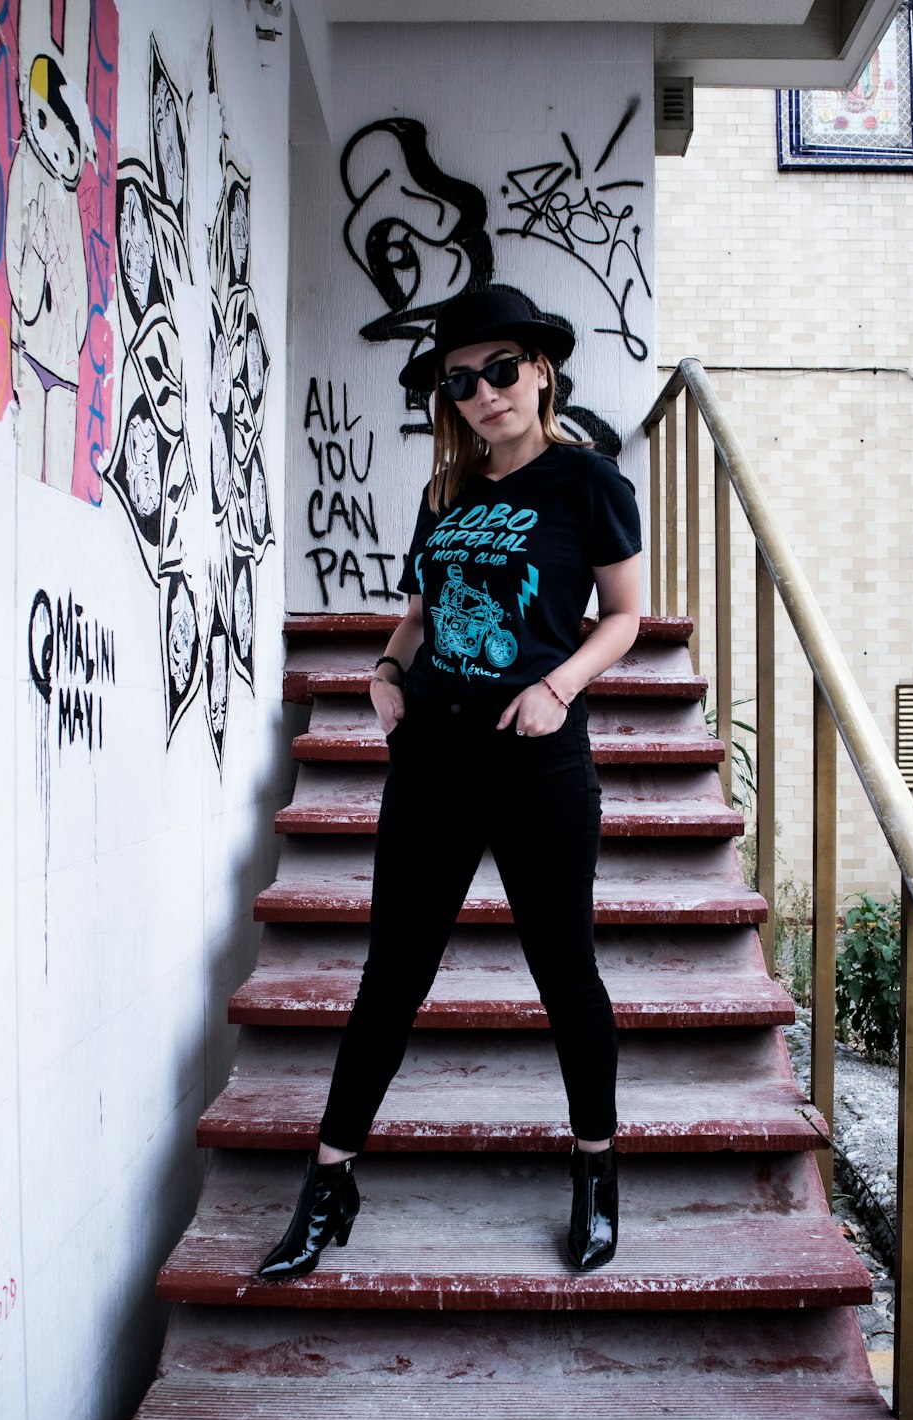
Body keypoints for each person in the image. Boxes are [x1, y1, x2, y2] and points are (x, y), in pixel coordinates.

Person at [258, 288, 642, 1280]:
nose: (480, 393)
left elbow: (624, 617)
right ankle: (329, 1183)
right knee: (393, 973)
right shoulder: (446, 493)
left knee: (566, 974)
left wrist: (559, 686)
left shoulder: (588, 481)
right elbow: (420, 613)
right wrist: (385, 673)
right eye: (459, 380)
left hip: (538, 758)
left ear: (542, 369)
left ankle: (596, 1173)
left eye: (500, 369)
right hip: (435, 753)